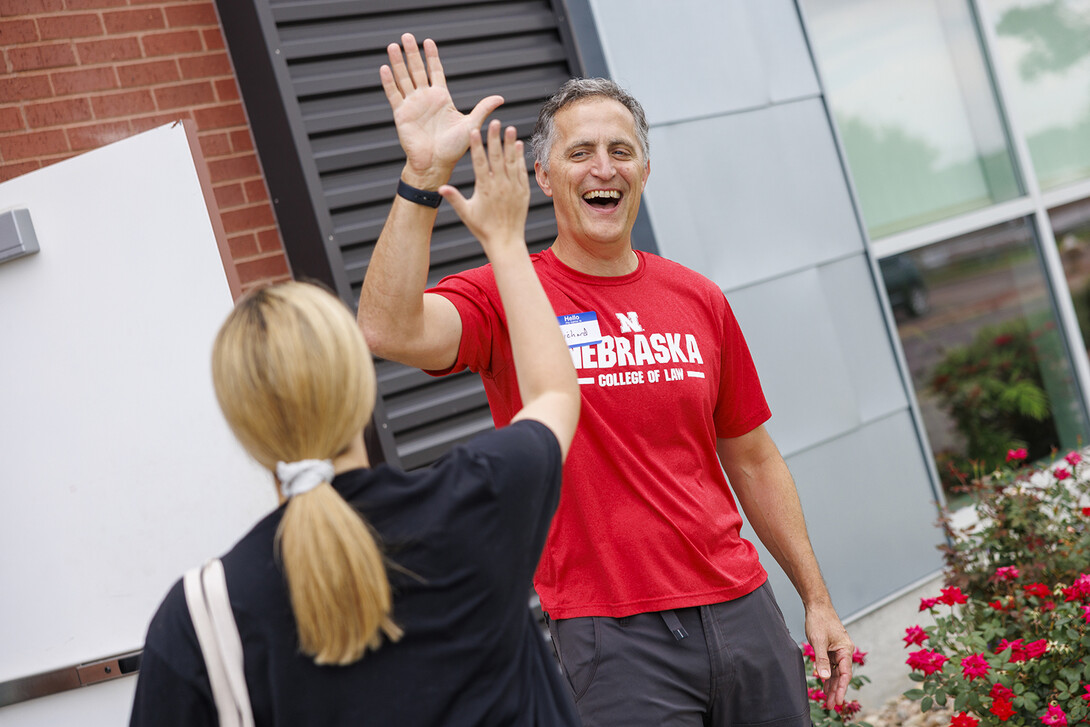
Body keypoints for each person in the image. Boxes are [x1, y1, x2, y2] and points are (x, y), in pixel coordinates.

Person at [358, 33, 857, 727]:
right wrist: (420, 176)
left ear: (644, 171)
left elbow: (752, 454)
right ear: (543, 175)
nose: (604, 168)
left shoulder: (697, 297)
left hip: (743, 608)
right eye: (580, 152)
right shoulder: (509, 292)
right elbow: (386, 329)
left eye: (621, 151)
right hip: (613, 638)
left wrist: (817, 597)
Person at [129, 120, 582, 726]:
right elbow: (554, 390)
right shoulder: (478, 500)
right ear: (362, 386)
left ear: (243, 428)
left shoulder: (201, 618)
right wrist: (503, 239)